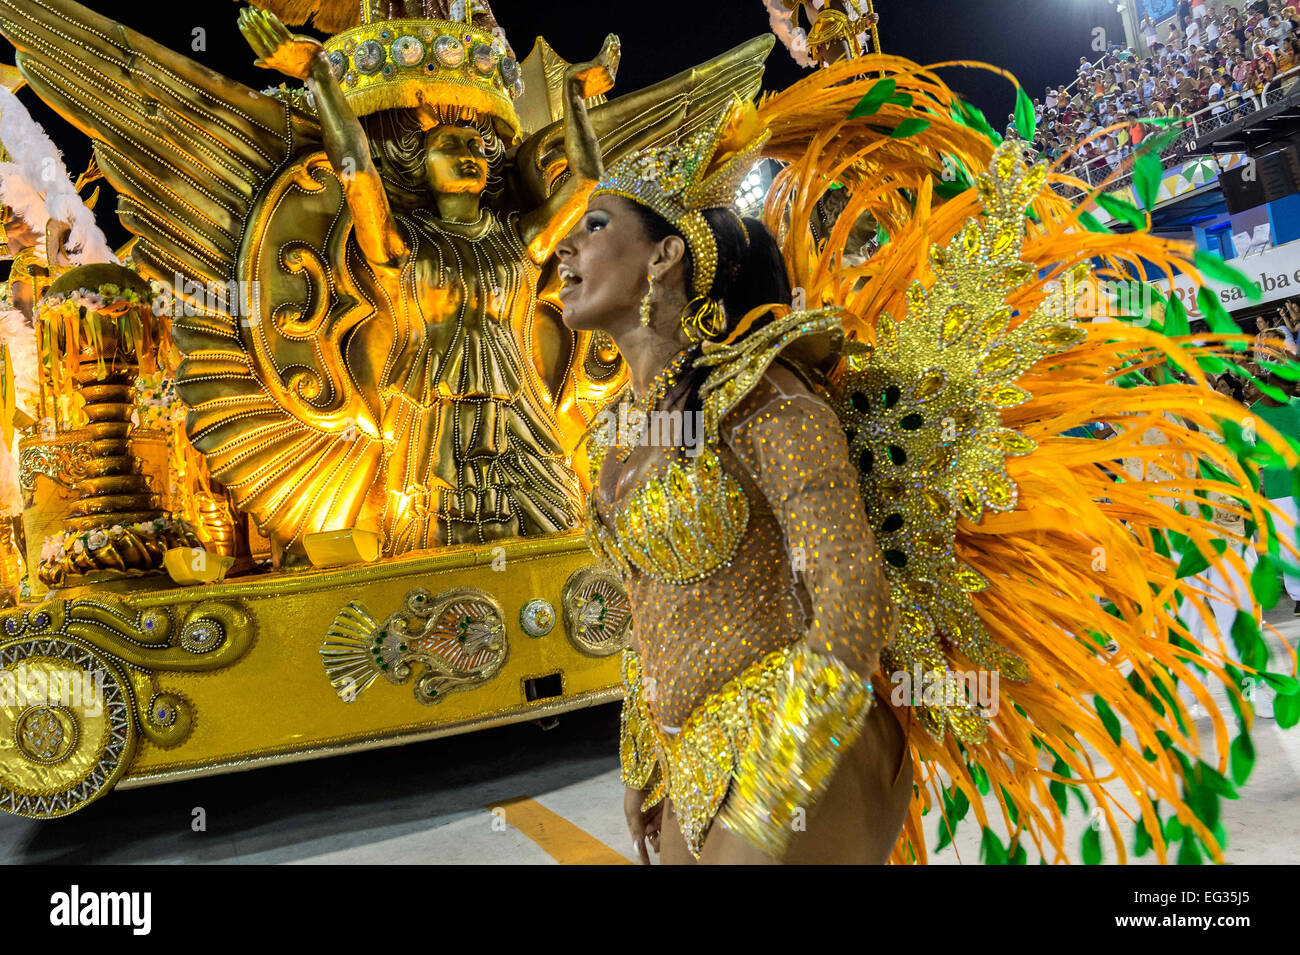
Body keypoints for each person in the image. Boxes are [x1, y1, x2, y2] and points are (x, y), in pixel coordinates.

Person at [557, 107, 909, 864]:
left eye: (593, 225)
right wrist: (643, 760)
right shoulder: (622, 430)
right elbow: (646, 603)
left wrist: (778, 780)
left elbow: (854, 591)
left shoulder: (763, 394)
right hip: (694, 757)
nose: (564, 244)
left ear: (664, 257)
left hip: (802, 735)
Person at [1247, 373, 1300, 613]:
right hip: (1278, 489)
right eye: (1285, 386)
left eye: (1293, 387)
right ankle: (1299, 595)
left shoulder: (1298, 406)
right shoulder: (1253, 417)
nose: (1290, 392)